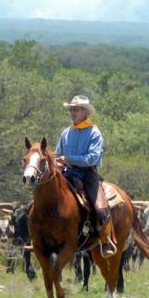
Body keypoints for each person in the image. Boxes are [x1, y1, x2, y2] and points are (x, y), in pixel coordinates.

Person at [55, 95, 115, 257]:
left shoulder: (94, 132)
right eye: (71, 110)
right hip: (66, 173)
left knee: (100, 207)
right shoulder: (66, 133)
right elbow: (57, 155)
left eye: (76, 110)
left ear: (85, 112)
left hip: (88, 175)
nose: (73, 113)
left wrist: (68, 159)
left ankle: (105, 240)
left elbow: (92, 158)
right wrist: (58, 163)